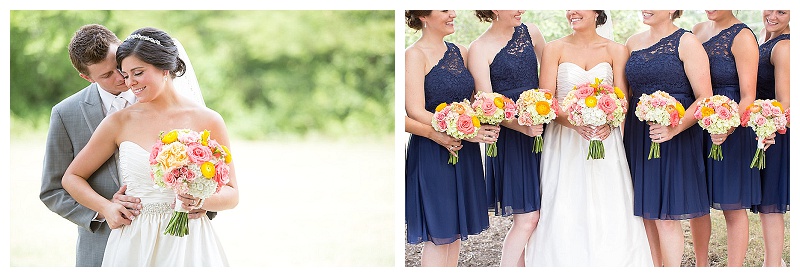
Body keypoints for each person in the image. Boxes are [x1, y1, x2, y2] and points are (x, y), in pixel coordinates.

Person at [61, 27, 238, 266]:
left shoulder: (208, 120)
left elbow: (232, 194)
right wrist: (107, 208)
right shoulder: (118, 122)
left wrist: (199, 200)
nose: (130, 82)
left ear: (165, 68)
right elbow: (71, 177)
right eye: (126, 74)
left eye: (138, 73)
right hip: (135, 241)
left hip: (189, 242)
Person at [525, 10, 652, 266]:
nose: (571, 11)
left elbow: (622, 100)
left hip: (605, 139)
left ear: (597, 12)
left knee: (608, 204)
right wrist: (573, 122)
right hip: (564, 140)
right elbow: (545, 101)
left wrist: (609, 121)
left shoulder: (616, 50)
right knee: (564, 205)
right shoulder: (554, 48)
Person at [405, 10, 499, 267]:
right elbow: (415, 110)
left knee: (455, 232)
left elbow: (470, 101)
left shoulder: (460, 50)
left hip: (463, 151)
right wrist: (459, 130)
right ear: (423, 16)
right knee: (440, 234)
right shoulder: (414, 55)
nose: (453, 14)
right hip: (433, 150)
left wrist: (485, 117)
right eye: (445, 10)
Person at [623, 10, 712, 267]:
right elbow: (627, 94)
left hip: (676, 135)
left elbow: (704, 98)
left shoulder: (687, 42)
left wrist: (674, 128)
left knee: (666, 216)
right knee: (646, 213)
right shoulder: (632, 42)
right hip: (639, 135)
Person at [466, 10, 545, 267]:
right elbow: (485, 106)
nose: (521, 9)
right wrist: (522, 127)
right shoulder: (478, 48)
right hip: (511, 139)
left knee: (542, 217)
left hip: (543, 133)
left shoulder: (532, 33)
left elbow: (549, 83)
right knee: (527, 218)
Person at [689, 10, 761, 267]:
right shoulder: (697, 30)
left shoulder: (742, 37)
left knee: (732, 204)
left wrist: (727, 127)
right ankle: (701, 266)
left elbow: (748, 95)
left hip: (730, 127)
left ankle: (735, 269)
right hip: (698, 124)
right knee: (696, 201)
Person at [752, 9, 790, 267]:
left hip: (775, 134)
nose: (773, 15)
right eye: (771, 8)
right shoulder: (764, 41)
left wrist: (770, 130)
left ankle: (773, 266)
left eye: (783, 12)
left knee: (771, 204)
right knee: (767, 203)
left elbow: (785, 99)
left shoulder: (784, 47)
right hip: (763, 129)